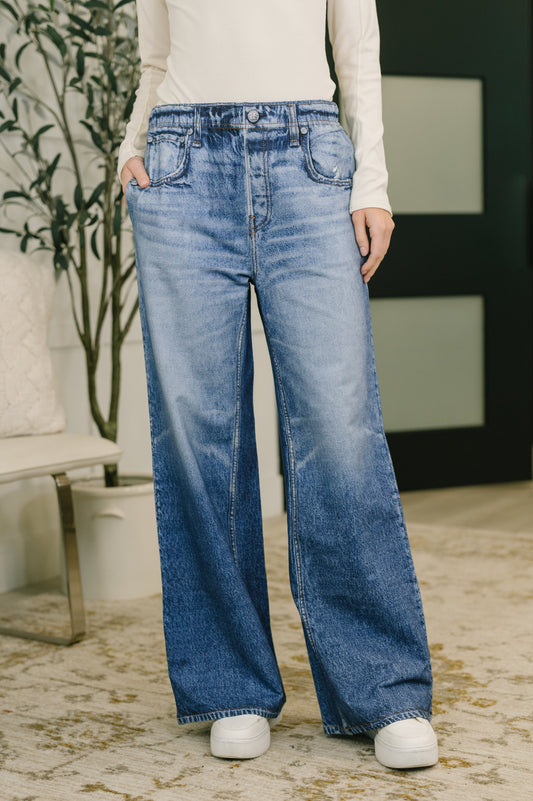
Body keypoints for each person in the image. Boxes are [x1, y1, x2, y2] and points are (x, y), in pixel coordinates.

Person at [118, 0, 438, 770]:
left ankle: (382, 689)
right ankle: (231, 684)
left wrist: (373, 183)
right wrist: (132, 149)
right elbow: (156, 58)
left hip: (308, 161)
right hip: (180, 163)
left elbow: (355, 44)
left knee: (337, 425)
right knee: (199, 431)